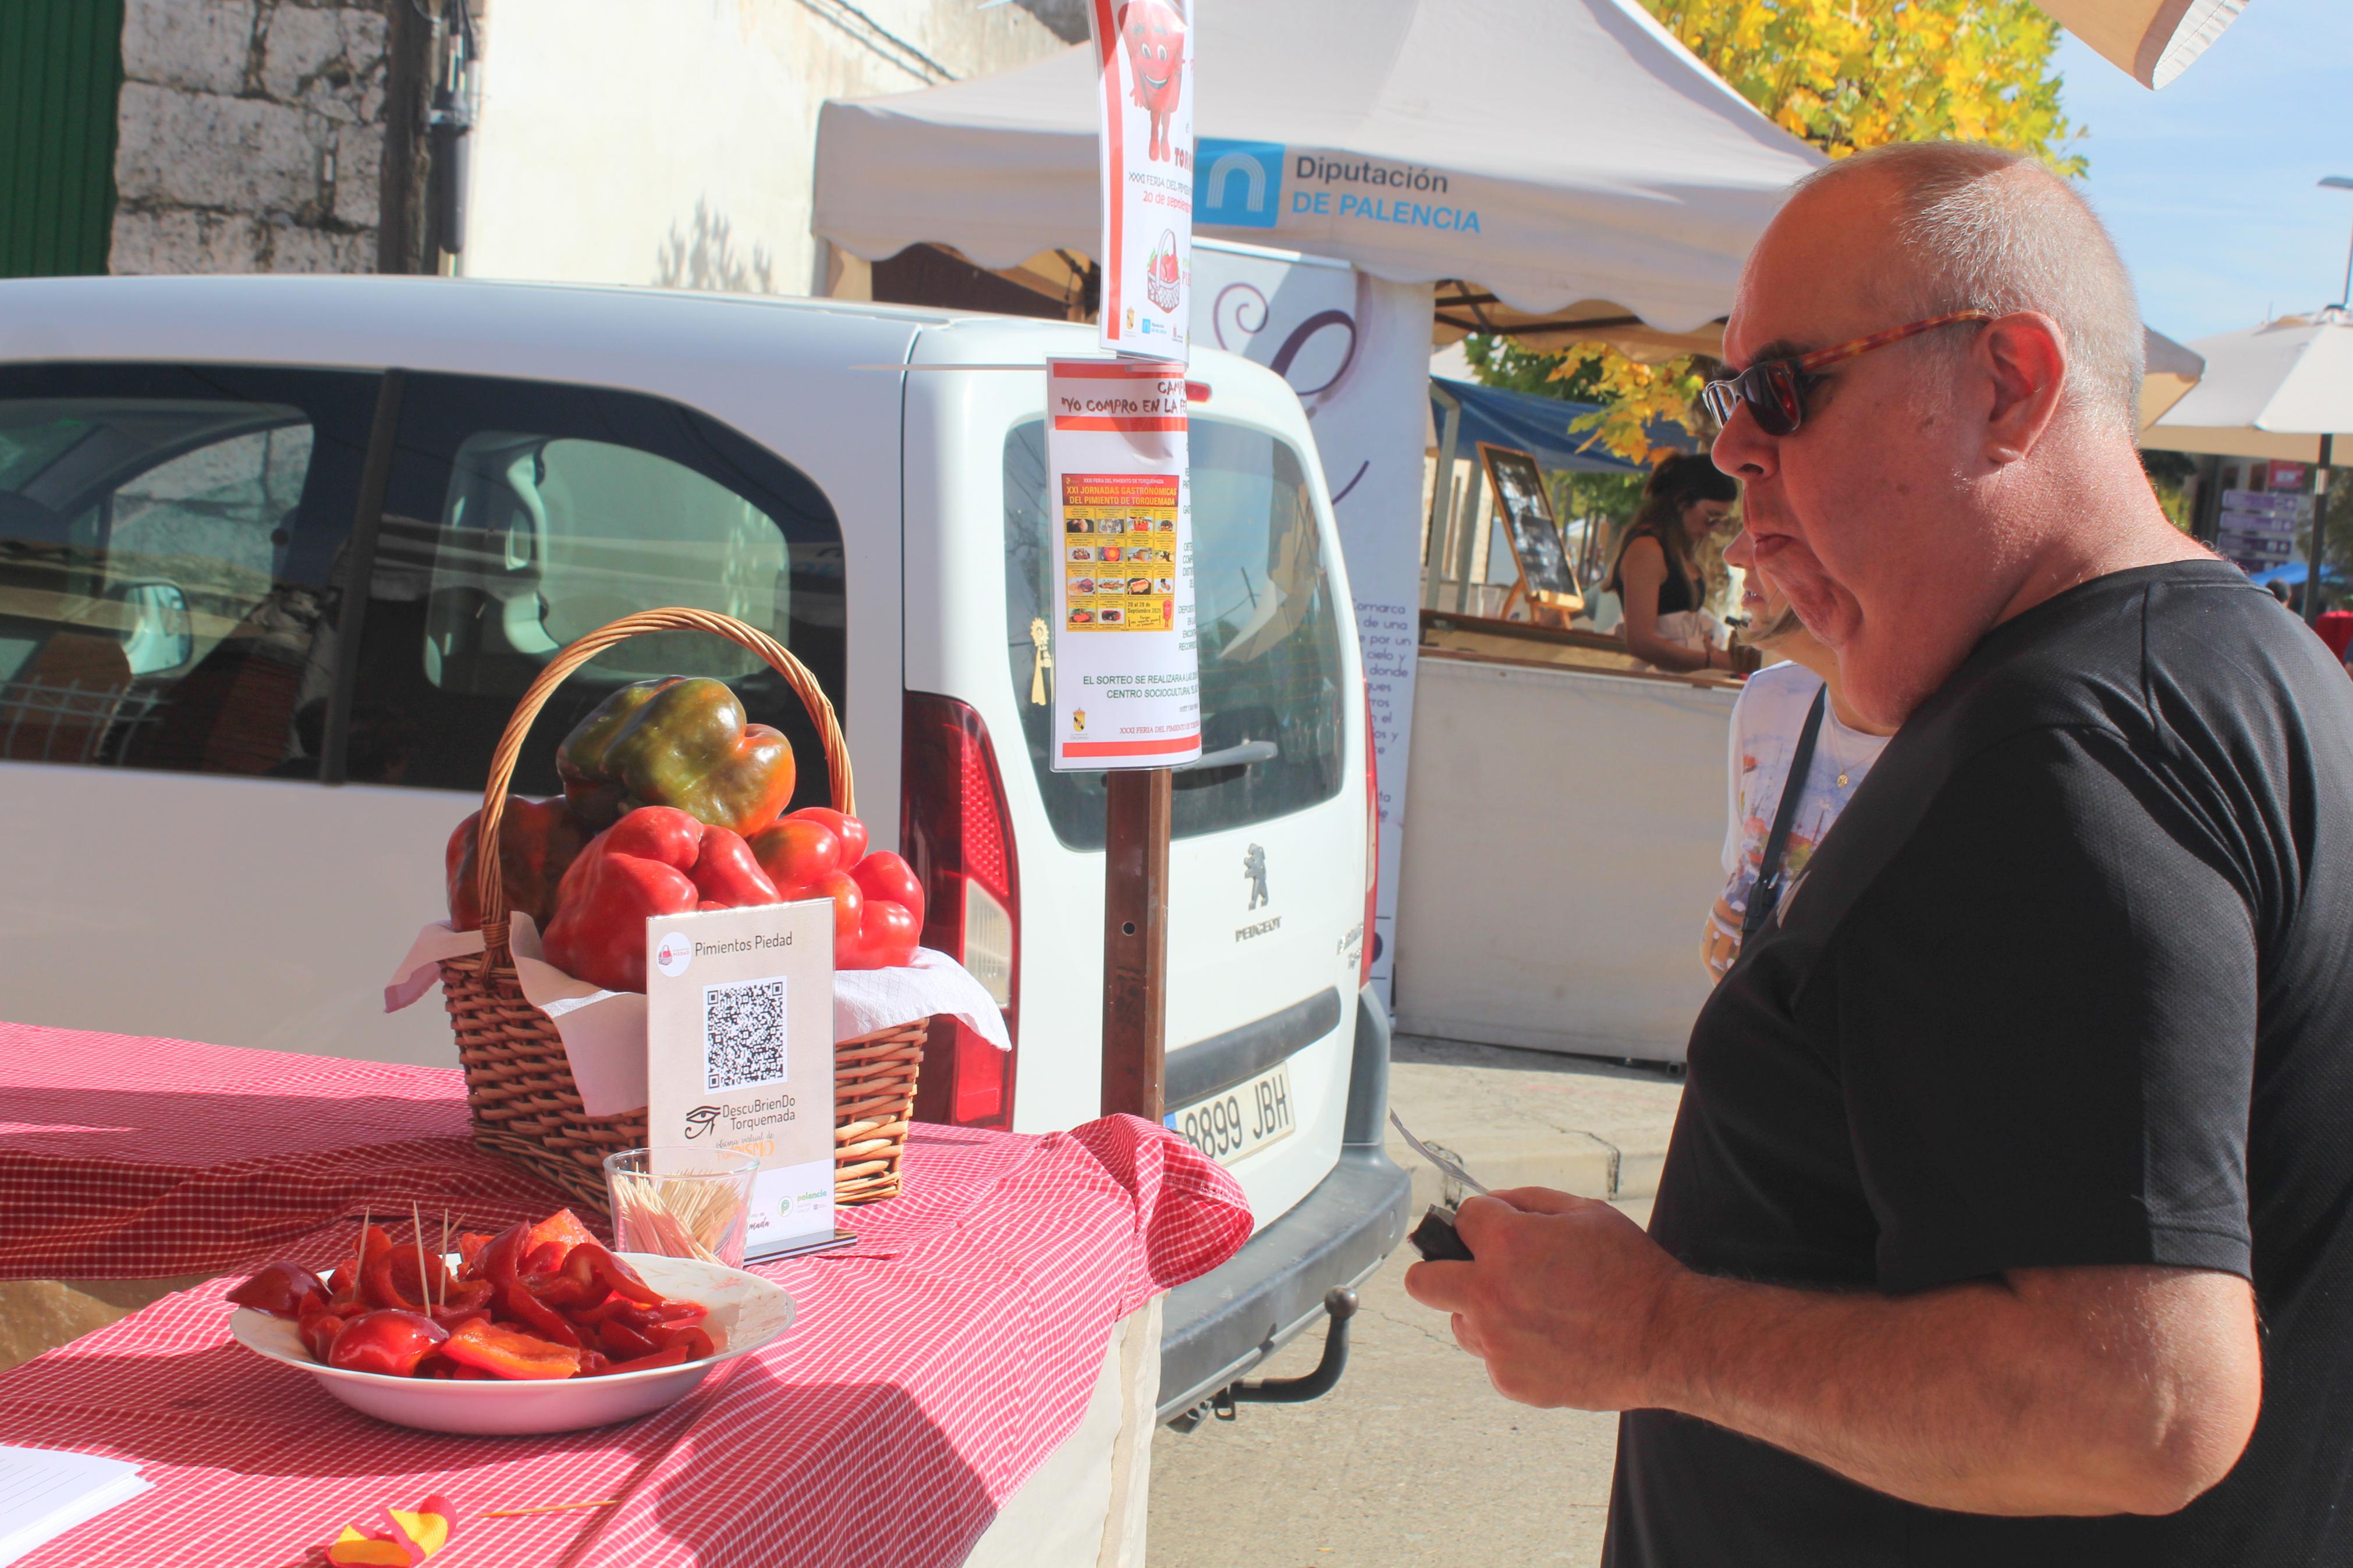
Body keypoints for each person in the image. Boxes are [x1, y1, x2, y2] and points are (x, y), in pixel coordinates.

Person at [1406, 140, 2353, 1566]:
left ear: (2008, 387)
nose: (1729, 451)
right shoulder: (2247, 678)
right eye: (1728, 407)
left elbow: (2138, 1406)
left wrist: (1650, 1332)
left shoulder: (2064, 749)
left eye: (1778, 392)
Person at [1701, 527, 1893, 981]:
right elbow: (1742, 872)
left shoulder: (1959, 726)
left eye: (1767, 527)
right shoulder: (1769, 701)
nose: (1734, 553)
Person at [1605, 454, 1740, 673]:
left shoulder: (1677, 551)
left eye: (1719, 521)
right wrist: (1710, 661)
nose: (1714, 528)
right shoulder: (1647, 549)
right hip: (1654, 682)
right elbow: (1641, 642)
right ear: (1681, 501)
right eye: (1711, 517)